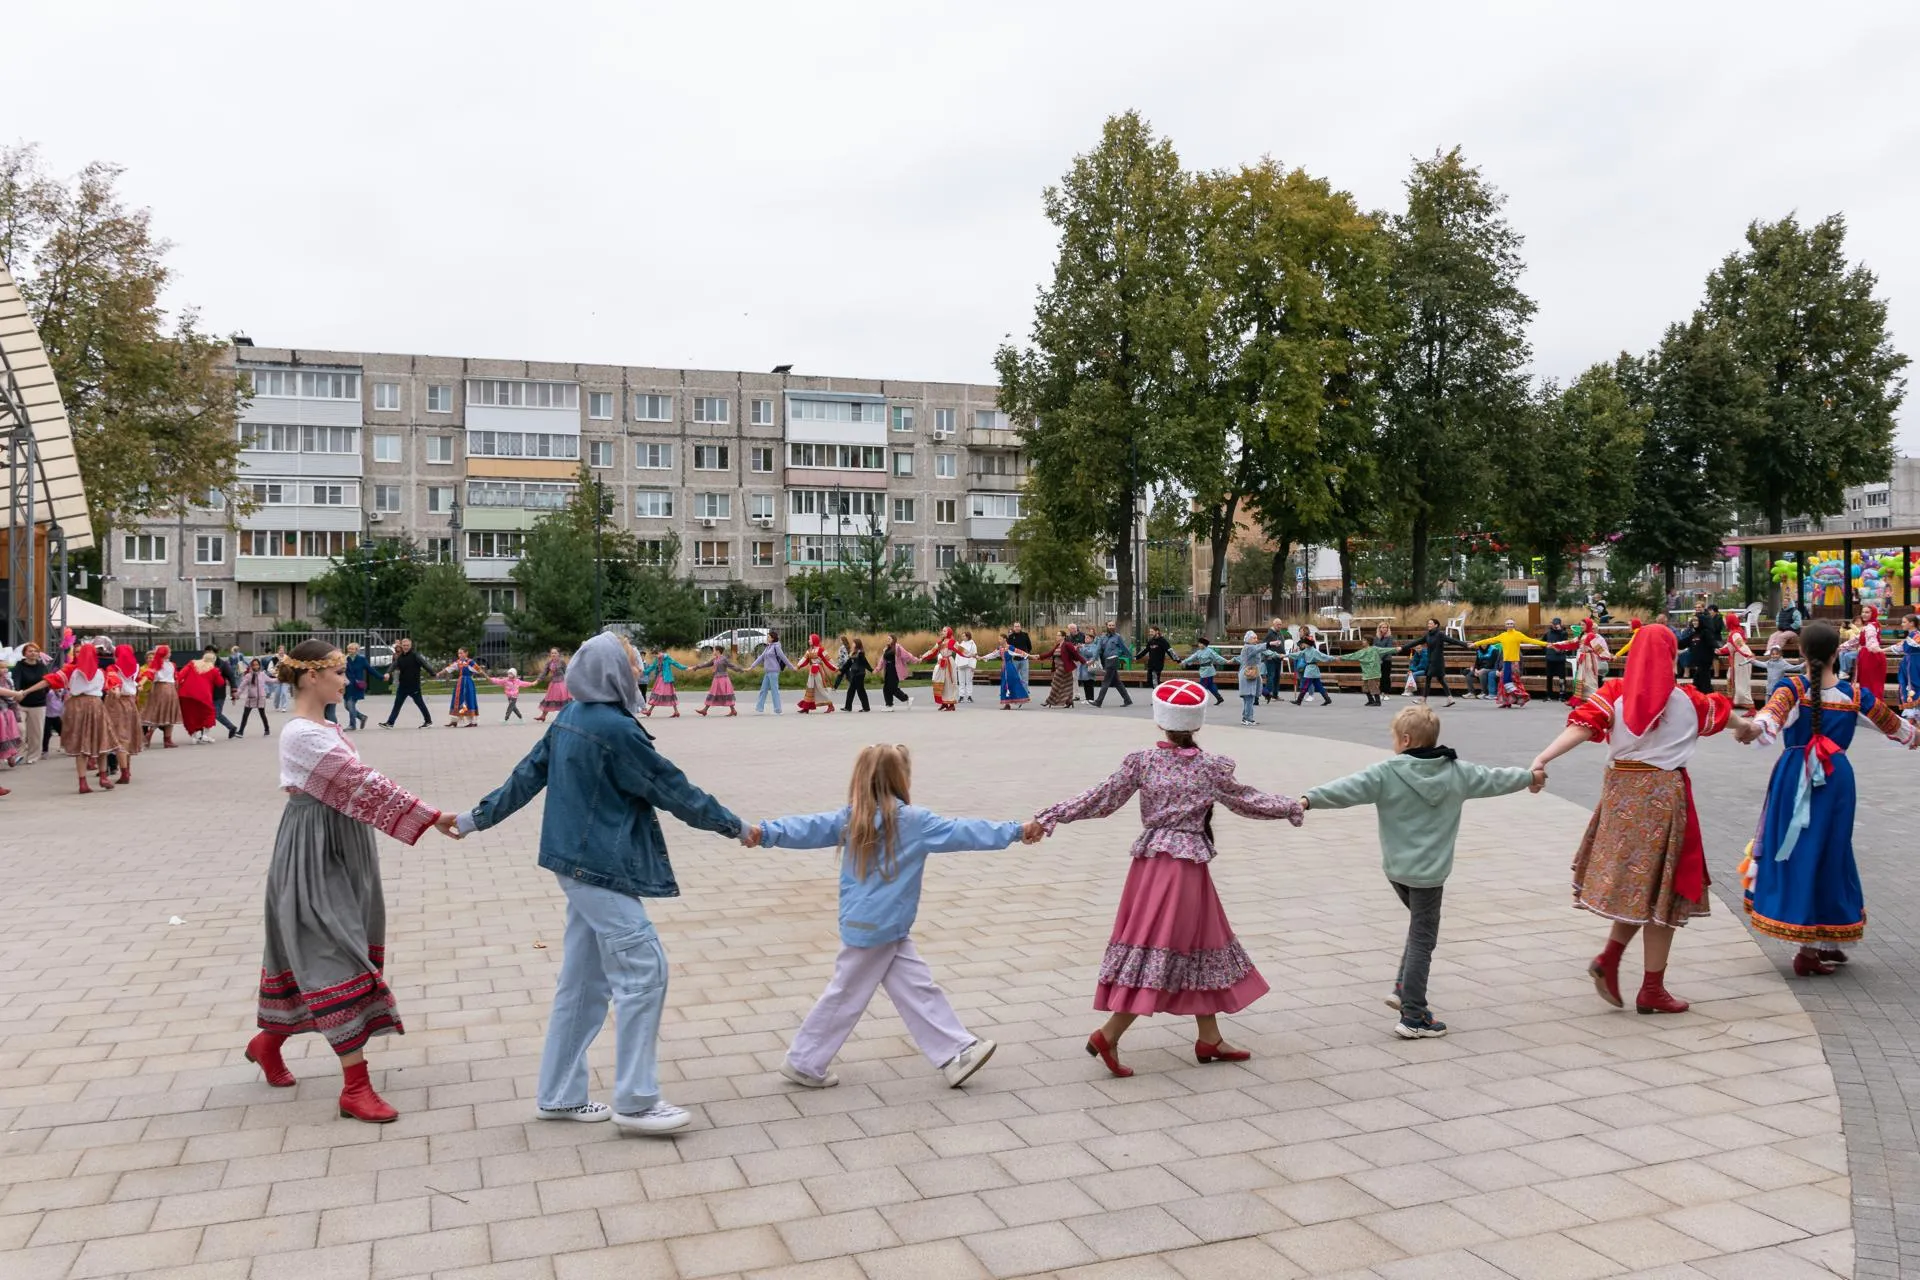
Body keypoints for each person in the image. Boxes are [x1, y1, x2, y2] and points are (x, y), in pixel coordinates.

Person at [453, 631, 745, 1134]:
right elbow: (674, 790)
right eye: (633, 665)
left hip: (577, 864)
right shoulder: (614, 728)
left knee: (584, 984)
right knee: (644, 971)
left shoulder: (570, 717)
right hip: (599, 868)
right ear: (612, 671)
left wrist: (470, 820)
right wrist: (738, 827)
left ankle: (560, 1095)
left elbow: (525, 777)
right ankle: (636, 1101)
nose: (639, 672)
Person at [1031, 678, 1305, 1077]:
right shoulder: (1211, 767)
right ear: (1197, 724)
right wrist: (1289, 806)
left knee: (1198, 944)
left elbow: (1100, 798)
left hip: (1150, 866)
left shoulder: (1142, 761)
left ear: (1160, 722)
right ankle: (1108, 1034)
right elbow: (1247, 799)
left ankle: (1209, 1037)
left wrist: (1051, 815)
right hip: (1183, 870)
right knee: (1168, 946)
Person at [245, 639, 457, 1124]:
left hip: (341, 843)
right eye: (338, 673)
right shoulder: (300, 733)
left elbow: (357, 785)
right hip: (312, 849)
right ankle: (355, 1088)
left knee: (324, 947)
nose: (346, 680)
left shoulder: (327, 725)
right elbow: (362, 782)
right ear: (311, 678)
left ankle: (266, 1042)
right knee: (335, 951)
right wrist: (429, 816)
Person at [746, 743, 1034, 1090]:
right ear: (902, 778)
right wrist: (1017, 830)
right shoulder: (914, 821)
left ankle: (956, 1051)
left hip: (875, 926)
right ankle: (804, 1061)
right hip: (881, 928)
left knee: (916, 987)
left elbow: (806, 827)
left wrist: (766, 832)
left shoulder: (851, 817)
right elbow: (967, 831)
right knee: (846, 995)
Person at [1528, 625, 1758, 1015]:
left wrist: (1542, 759)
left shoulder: (1614, 693)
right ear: (1671, 657)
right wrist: (1748, 728)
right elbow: (1724, 712)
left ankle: (1611, 959)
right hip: (1664, 799)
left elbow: (1581, 726)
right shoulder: (1689, 699)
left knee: (1641, 888)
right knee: (1662, 891)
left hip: (1620, 795)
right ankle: (1651, 987)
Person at [1304, 704, 1542, 1038]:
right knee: (1423, 938)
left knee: (1419, 929)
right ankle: (1413, 1016)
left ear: (1404, 739)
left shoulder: (1385, 772)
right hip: (1430, 875)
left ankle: (1404, 988)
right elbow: (1496, 778)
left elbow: (1347, 788)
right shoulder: (1458, 772)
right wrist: (1531, 777)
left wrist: (1309, 799)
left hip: (1396, 870)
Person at [1738, 620, 1919, 977]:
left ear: (1801, 652)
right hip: (1835, 779)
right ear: (1838, 652)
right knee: (1831, 851)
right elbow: (1900, 730)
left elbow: (1768, 720)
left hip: (1795, 777)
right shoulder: (1855, 696)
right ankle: (1818, 943)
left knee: (1802, 851)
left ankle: (1816, 942)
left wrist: (1752, 729)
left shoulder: (1791, 688)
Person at [1469, 620, 1546, 709]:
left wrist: (1546, 644)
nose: (1510, 625)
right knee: (1503, 682)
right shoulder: (1503, 636)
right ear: (1505, 626)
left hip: (1514, 663)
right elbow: (1489, 640)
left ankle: (1522, 697)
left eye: (1511, 624)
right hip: (1506, 662)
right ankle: (1506, 702)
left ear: (1514, 625)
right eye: (1508, 624)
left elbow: (1531, 640)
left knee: (1514, 681)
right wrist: (1475, 644)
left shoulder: (1518, 635)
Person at [1402, 618, 1468, 706]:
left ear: (1436, 625)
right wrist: (1403, 647)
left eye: (1431, 623)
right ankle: (1450, 698)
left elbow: (1452, 640)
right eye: (1428, 623)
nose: (1428, 625)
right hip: (1431, 661)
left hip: (1437, 662)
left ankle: (1423, 699)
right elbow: (1416, 642)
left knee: (1428, 679)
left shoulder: (1440, 634)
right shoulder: (1428, 635)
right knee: (1440, 679)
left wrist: (1465, 644)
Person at [10, 642, 52, 766]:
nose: (33, 653)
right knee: (20, 729)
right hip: (21, 702)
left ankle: (33, 756)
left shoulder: (42, 666)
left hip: (38, 703)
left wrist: (43, 693)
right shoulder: (19, 666)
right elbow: (16, 680)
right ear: (25, 653)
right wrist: (17, 694)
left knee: (36, 732)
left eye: (35, 651)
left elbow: (47, 682)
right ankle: (18, 754)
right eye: (30, 651)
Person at [175, 648, 228, 744]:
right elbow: (220, 683)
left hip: (185, 694)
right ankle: (205, 735)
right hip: (203, 696)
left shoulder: (192, 664)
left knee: (191, 716)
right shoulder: (213, 669)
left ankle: (193, 737)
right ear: (213, 660)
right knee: (209, 714)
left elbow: (180, 675)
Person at [381, 638, 433, 728]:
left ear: (410, 646)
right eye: (404, 645)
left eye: (407, 645)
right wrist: (388, 672)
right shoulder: (400, 657)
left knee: (420, 703)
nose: (405, 647)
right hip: (403, 686)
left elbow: (425, 664)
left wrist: (433, 673)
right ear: (401, 646)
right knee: (397, 704)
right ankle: (390, 723)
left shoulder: (415, 655)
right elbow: (393, 665)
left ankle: (428, 721)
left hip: (414, 685)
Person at [140, 645, 182, 747]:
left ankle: (149, 735)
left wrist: (141, 683)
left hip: (159, 689)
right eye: (169, 652)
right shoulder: (172, 664)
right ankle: (167, 740)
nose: (171, 653)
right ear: (165, 653)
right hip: (169, 689)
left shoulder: (157, 664)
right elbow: (175, 677)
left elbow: (148, 675)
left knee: (158, 713)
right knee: (169, 714)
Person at [1847, 605, 1889, 700]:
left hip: (1869, 656)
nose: (1864, 614)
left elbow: (1871, 640)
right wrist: (1842, 647)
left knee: (1869, 682)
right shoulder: (1873, 624)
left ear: (1873, 613)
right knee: (1873, 682)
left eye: (1867, 612)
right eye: (1863, 612)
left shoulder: (1870, 627)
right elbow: (1857, 640)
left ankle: (1871, 705)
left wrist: (1874, 648)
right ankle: (1876, 705)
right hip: (1871, 655)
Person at [1090, 621, 1135, 709]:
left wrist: (1131, 657)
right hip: (1106, 660)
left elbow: (1124, 648)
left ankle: (1099, 701)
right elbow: (1098, 649)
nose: (1111, 627)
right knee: (1117, 682)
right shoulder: (1102, 638)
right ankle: (1127, 700)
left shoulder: (1117, 637)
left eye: (1113, 625)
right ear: (1106, 626)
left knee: (1106, 681)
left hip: (1113, 659)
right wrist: (1093, 659)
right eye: (1110, 625)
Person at [1719, 615, 1758, 710]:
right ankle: (1730, 703)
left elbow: (1741, 646)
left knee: (1742, 684)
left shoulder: (1735, 633)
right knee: (1730, 679)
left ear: (1730, 622)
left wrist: (1749, 655)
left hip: (1741, 660)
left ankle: (1751, 707)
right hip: (1736, 659)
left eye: (1725, 621)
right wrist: (1720, 650)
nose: (1724, 623)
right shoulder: (1733, 632)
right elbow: (1730, 646)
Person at [980, 635, 1031, 708]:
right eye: (998, 639)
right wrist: (983, 657)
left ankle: (1018, 699)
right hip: (1004, 668)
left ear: (1005, 639)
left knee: (1012, 683)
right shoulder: (1000, 648)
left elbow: (1020, 653)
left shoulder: (1009, 648)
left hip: (1010, 668)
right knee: (1004, 684)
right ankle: (1007, 704)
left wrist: (1031, 656)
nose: (999, 640)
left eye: (1000, 639)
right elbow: (992, 654)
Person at [918, 627, 962, 711]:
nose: (943, 632)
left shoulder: (952, 642)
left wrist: (972, 655)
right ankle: (944, 703)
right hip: (942, 664)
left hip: (949, 663)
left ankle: (951, 704)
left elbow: (961, 650)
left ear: (949, 632)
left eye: (945, 631)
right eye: (942, 630)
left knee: (949, 683)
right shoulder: (940, 642)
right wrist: (922, 657)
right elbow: (932, 651)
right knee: (940, 682)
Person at [750, 630, 793, 715]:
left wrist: (791, 667)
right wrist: (752, 666)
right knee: (763, 690)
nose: (767, 638)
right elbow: (761, 657)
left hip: (774, 671)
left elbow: (783, 657)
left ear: (773, 638)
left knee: (774, 691)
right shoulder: (768, 647)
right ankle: (759, 708)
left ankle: (778, 710)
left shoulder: (776, 647)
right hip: (767, 672)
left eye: (768, 637)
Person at [794, 635, 839, 714]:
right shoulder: (809, 650)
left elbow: (827, 660)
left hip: (818, 671)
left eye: (810, 639)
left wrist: (834, 667)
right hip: (812, 672)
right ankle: (806, 707)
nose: (808, 640)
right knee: (809, 689)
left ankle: (830, 706)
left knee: (821, 688)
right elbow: (804, 660)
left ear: (814, 640)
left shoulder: (821, 650)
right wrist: (798, 666)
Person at [439, 649, 483, 728]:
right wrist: (439, 673)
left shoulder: (470, 662)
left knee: (468, 699)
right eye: (458, 653)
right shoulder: (458, 662)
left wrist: (477, 670)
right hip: (460, 683)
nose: (459, 655)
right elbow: (449, 668)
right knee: (456, 700)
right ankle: (454, 720)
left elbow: (479, 670)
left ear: (466, 653)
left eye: (461, 653)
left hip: (468, 683)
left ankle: (473, 721)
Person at [1180, 636, 1228, 705]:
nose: (1199, 645)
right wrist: (1184, 661)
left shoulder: (1209, 651)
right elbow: (1192, 657)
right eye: (1199, 643)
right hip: (1203, 670)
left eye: (1200, 643)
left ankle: (1199, 700)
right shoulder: (1198, 652)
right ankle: (1219, 698)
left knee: (1202, 686)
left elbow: (1217, 657)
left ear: (1204, 644)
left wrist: (1226, 661)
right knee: (1210, 685)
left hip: (1208, 671)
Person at [640, 648, 686, 719]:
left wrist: (685, 668)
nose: (655, 657)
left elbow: (675, 663)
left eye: (655, 655)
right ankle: (676, 712)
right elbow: (652, 667)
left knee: (659, 693)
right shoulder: (657, 660)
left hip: (666, 679)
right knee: (667, 694)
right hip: (660, 679)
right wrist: (644, 672)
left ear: (658, 653)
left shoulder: (667, 658)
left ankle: (649, 711)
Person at [697, 648, 741, 717]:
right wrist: (697, 667)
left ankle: (733, 710)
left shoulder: (724, 659)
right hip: (716, 679)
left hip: (724, 679)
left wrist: (741, 669)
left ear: (717, 651)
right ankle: (705, 710)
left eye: (714, 650)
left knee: (726, 694)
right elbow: (706, 664)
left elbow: (731, 666)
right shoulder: (715, 659)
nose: (713, 651)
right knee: (712, 693)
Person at [1292, 633, 1332, 707]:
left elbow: (1323, 656)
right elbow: (1298, 654)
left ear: (1307, 644)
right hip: (1314, 671)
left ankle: (1299, 700)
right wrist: (1288, 655)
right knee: (1319, 686)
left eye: (1304, 643)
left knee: (1305, 686)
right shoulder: (1306, 650)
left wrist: (1332, 658)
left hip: (1310, 671)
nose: (1303, 644)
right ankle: (1327, 699)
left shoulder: (1313, 651)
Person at [1043, 630, 1082, 709]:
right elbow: (1049, 653)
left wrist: (1085, 662)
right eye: (1057, 635)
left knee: (1055, 684)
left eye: (1059, 635)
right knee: (1067, 685)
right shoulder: (1057, 645)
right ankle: (1069, 701)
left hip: (1063, 668)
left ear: (1063, 637)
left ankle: (1048, 701)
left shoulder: (1067, 644)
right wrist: (1038, 656)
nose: (1057, 636)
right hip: (1059, 668)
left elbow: (1076, 655)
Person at [211, 647, 242, 738]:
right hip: (206, 693)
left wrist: (234, 691)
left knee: (217, 714)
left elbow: (231, 677)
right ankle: (202, 733)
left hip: (219, 693)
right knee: (205, 713)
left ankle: (231, 727)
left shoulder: (222, 664)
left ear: (216, 654)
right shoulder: (204, 663)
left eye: (211, 652)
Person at [237, 659, 273, 735]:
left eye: (257, 664)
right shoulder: (248, 676)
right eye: (254, 665)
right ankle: (240, 732)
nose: (255, 666)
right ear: (251, 666)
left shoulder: (262, 675)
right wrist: (237, 695)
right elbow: (241, 686)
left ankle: (267, 729)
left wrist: (281, 679)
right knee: (245, 715)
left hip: (261, 698)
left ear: (259, 665)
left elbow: (271, 680)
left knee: (262, 714)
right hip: (251, 699)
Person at [879, 634, 913, 710]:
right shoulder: (886, 648)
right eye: (887, 639)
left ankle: (907, 698)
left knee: (893, 688)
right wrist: (878, 668)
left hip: (894, 670)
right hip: (888, 670)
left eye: (889, 639)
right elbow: (882, 660)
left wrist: (916, 660)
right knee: (886, 688)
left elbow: (907, 655)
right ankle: (889, 705)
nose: (888, 640)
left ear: (893, 639)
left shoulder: (897, 647)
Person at [536, 648, 571, 722]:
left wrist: (569, 681)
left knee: (562, 700)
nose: (553, 654)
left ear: (558, 654)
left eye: (555, 653)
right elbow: (544, 673)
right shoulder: (549, 663)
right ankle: (543, 716)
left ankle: (565, 717)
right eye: (552, 653)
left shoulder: (561, 662)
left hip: (562, 683)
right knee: (548, 699)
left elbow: (567, 672)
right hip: (553, 683)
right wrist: (538, 680)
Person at [342, 643, 371, 730]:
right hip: (347, 685)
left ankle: (352, 725)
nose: (350, 650)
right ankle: (362, 717)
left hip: (357, 685)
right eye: (349, 649)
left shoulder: (361, 659)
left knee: (350, 705)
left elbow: (370, 669)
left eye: (352, 649)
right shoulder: (345, 659)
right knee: (347, 706)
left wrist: (381, 677)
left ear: (357, 650)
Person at [838, 640, 872, 713]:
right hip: (854, 674)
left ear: (857, 644)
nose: (852, 644)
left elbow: (865, 663)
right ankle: (848, 707)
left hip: (860, 674)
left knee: (860, 691)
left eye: (853, 643)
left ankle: (866, 708)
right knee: (851, 690)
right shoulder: (852, 653)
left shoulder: (860, 653)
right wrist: (841, 671)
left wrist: (871, 670)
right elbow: (848, 664)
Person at [1542, 617, 1572, 701]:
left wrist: (1559, 630)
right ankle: (1549, 694)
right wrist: (1547, 651)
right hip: (1550, 658)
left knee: (1562, 677)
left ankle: (1562, 694)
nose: (1555, 625)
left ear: (1560, 624)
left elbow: (1566, 643)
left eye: (1557, 624)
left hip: (1560, 659)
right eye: (1553, 624)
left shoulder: (1563, 633)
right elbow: (1543, 643)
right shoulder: (1548, 633)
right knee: (1549, 677)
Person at [1236, 633, 1262, 725]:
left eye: (1256, 637)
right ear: (1249, 639)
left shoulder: (1250, 647)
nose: (1256, 639)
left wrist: (1276, 654)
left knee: (1249, 698)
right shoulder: (1249, 647)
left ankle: (1246, 717)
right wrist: (1270, 644)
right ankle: (1248, 718)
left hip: (1250, 672)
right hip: (1248, 673)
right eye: (1254, 638)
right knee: (1249, 697)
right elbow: (1260, 648)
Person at [1898, 616, 1920, 723]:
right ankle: (1912, 715)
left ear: (1911, 623)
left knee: (1913, 685)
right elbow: (1899, 647)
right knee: (1906, 685)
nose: (1902, 624)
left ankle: (1913, 714)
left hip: (1914, 663)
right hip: (1908, 663)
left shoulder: (1916, 635)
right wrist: (1880, 650)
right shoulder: (1910, 636)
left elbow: (1912, 643)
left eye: (1904, 622)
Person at [1260, 621, 1288, 703]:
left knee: (1277, 677)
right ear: (1274, 625)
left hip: (1279, 658)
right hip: (1271, 658)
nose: (1279, 626)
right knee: (1271, 676)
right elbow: (1264, 644)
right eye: (1278, 624)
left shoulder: (1279, 633)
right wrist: (1268, 655)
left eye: (1280, 624)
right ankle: (1268, 694)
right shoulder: (1270, 634)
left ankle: (1275, 695)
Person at [1354, 635, 1385, 707]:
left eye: (1364, 640)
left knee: (1374, 687)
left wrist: (1396, 649)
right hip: (1366, 673)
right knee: (1365, 688)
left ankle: (1378, 701)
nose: (1362, 641)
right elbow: (1353, 655)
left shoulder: (1375, 649)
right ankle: (1370, 700)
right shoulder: (1362, 651)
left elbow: (1386, 650)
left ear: (1368, 642)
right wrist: (1342, 657)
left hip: (1373, 673)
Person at [1371, 623, 1397, 700]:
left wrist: (1381, 658)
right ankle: (1381, 692)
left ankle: (1387, 693)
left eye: (1386, 627)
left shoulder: (1389, 637)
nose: (1385, 629)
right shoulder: (1376, 638)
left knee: (1386, 676)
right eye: (1383, 627)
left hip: (1386, 660)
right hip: (1378, 660)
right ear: (1379, 628)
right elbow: (1374, 648)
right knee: (1380, 677)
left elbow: (1388, 649)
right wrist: (1377, 658)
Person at [1006, 623, 1033, 692]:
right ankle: (1015, 692)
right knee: (1015, 677)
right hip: (1014, 660)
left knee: (1025, 678)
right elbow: (1008, 648)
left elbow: (1029, 646)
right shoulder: (1011, 636)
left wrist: (1026, 654)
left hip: (1024, 660)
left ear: (1020, 627)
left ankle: (1025, 693)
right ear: (1013, 628)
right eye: (1015, 626)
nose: (1017, 628)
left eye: (1018, 626)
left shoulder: (1025, 635)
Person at [955, 630, 979, 704]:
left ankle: (969, 696)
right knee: (961, 681)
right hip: (961, 665)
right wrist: (956, 665)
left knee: (968, 681)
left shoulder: (972, 644)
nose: (962, 637)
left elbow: (974, 655)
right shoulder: (961, 644)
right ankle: (961, 696)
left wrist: (973, 666)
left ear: (968, 636)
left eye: (964, 636)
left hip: (969, 665)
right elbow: (957, 655)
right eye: (962, 636)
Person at [268, 645, 293, 712]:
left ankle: (284, 707)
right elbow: (269, 669)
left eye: (282, 650)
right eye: (280, 650)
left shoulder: (287, 659)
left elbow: (291, 668)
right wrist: (275, 673)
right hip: (277, 678)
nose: (281, 651)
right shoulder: (274, 659)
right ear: (278, 651)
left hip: (285, 678)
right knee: (277, 693)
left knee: (284, 693)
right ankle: (276, 706)